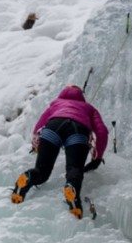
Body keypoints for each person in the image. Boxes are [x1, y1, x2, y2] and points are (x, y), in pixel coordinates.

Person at [11, 84, 108, 219]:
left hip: (52, 128)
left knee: (42, 171)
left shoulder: (56, 104)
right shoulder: (89, 108)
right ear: (81, 96)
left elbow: (38, 126)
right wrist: (97, 158)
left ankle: (28, 177)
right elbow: (102, 132)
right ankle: (72, 192)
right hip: (77, 130)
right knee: (74, 168)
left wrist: (36, 143)